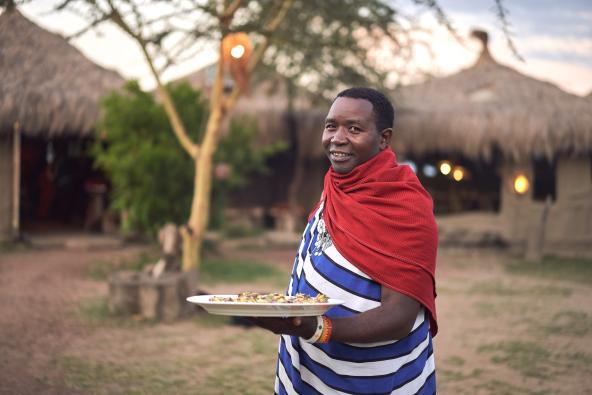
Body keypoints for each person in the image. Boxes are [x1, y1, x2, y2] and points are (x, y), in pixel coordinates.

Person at [251, 87, 438, 394]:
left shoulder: (407, 208)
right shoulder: (337, 186)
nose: (337, 138)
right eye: (331, 126)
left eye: (354, 128)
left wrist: (319, 328)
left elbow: (400, 315)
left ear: (384, 138)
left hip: (374, 381)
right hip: (306, 374)